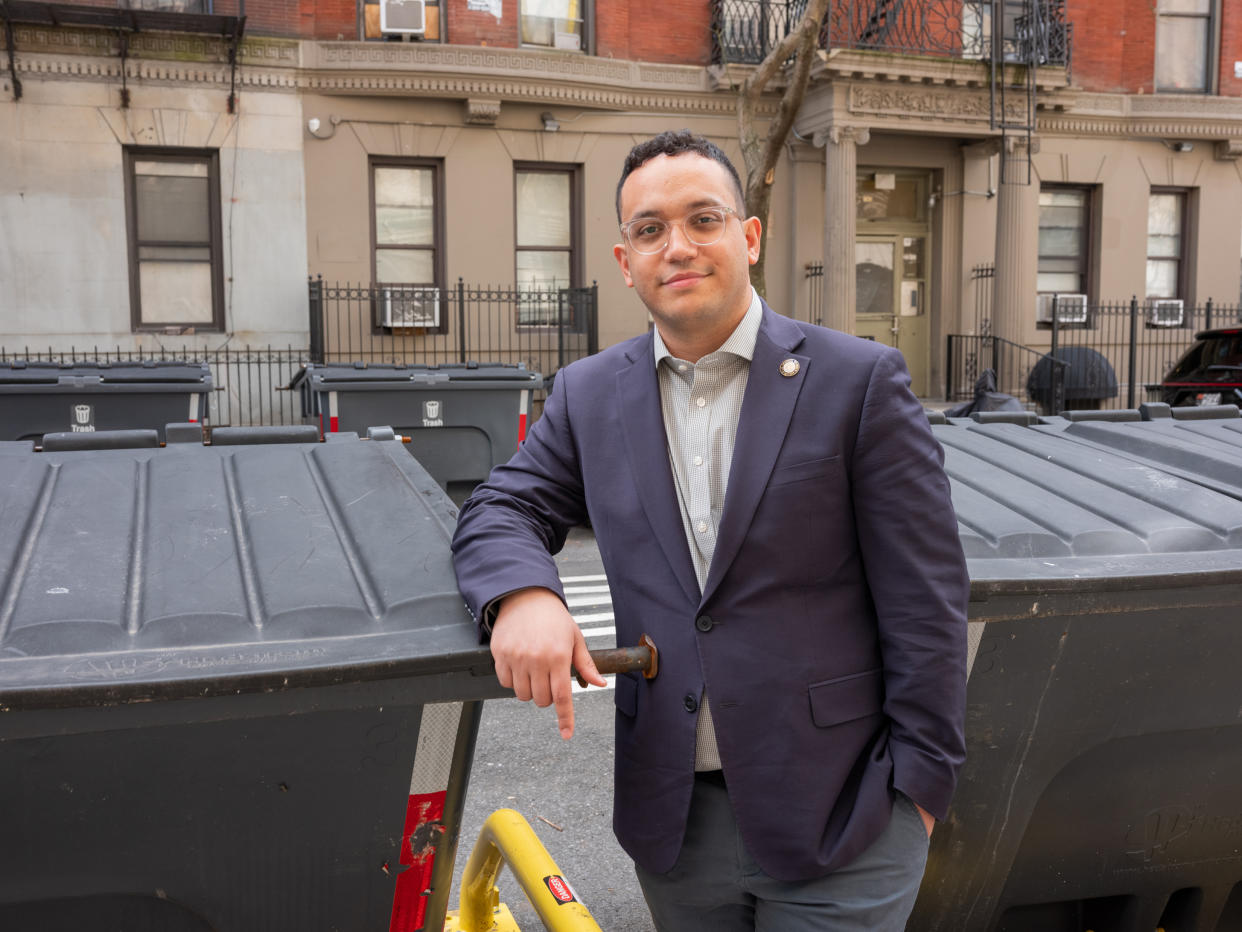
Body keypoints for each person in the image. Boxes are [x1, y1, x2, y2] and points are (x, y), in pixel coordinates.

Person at [451, 130, 968, 931]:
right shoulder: (589, 395)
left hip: (844, 821)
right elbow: (502, 506)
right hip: (676, 829)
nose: (678, 246)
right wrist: (524, 596)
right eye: (650, 230)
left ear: (748, 237)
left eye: (703, 219)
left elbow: (927, 602)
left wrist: (919, 797)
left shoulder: (857, 382)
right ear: (626, 262)